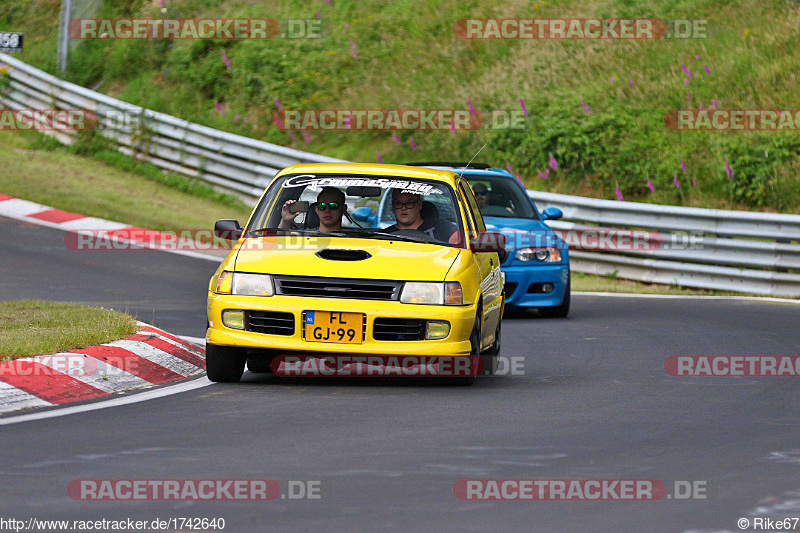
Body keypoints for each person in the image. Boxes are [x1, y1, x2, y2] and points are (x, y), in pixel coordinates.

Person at [384, 189, 459, 244]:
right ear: (393, 206)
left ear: (419, 205)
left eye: (409, 203)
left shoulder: (441, 227)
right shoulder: (383, 235)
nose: (404, 208)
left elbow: (461, 241)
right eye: (398, 203)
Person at [279, 186, 347, 232]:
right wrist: (285, 221)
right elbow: (279, 241)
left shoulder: (353, 239)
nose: (327, 210)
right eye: (322, 206)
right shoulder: (304, 236)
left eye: (333, 205)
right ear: (316, 210)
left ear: (344, 209)